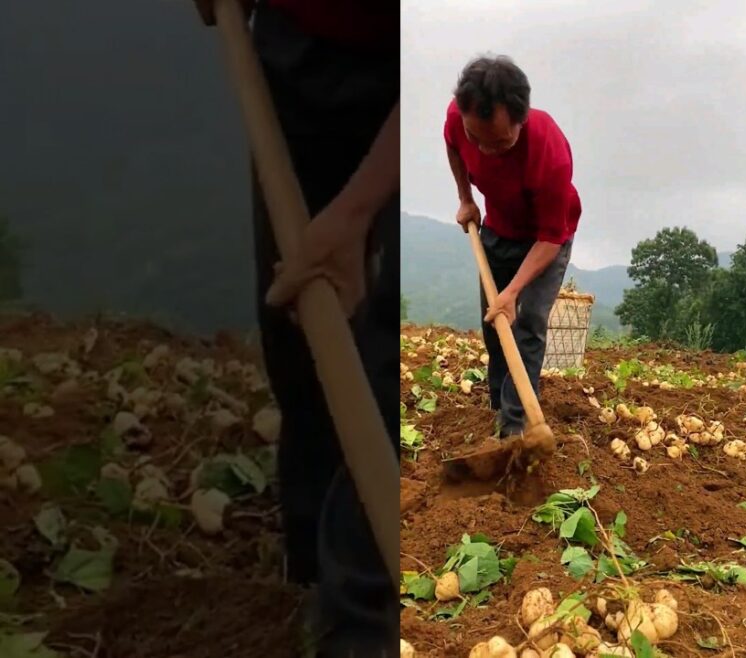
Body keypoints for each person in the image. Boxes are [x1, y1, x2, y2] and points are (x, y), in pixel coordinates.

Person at [192, 1, 399, 656]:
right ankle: (308, 566)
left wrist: (358, 210)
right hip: (299, 42)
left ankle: (368, 619)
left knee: (391, 351)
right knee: (295, 322)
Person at [445, 55, 582, 438]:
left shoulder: (549, 152)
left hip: (544, 239)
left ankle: (516, 428)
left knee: (528, 322)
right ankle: (496, 405)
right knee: (494, 324)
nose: (486, 151)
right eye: (478, 139)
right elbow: (454, 146)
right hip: (497, 227)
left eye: (500, 142)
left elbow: (551, 238)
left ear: (521, 119)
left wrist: (515, 291)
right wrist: (465, 198)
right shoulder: (461, 118)